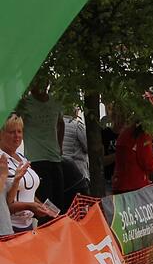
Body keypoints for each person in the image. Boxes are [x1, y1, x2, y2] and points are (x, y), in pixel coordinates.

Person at [17, 81, 66, 214]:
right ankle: (46, 231)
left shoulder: (55, 102)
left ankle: (58, 231)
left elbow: (61, 123)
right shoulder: (25, 104)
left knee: (58, 204)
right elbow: (15, 124)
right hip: (36, 160)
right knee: (44, 205)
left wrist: (60, 146)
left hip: (55, 158)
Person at [1, 113, 54, 232]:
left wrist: (40, 205)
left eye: (19, 131)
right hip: (9, 227)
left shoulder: (21, 157)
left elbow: (27, 190)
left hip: (28, 225)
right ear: (1, 134)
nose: (17, 136)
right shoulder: (1, 161)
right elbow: (4, 204)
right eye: (11, 132)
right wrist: (30, 206)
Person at [112, 117, 153, 194]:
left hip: (121, 184)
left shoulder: (126, 133)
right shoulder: (143, 136)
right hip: (134, 187)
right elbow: (149, 163)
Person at [62, 108, 89, 188]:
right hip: (78, 171)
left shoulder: (56, 125)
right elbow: (88, 147)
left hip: (62, 171)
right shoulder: (77, 125)